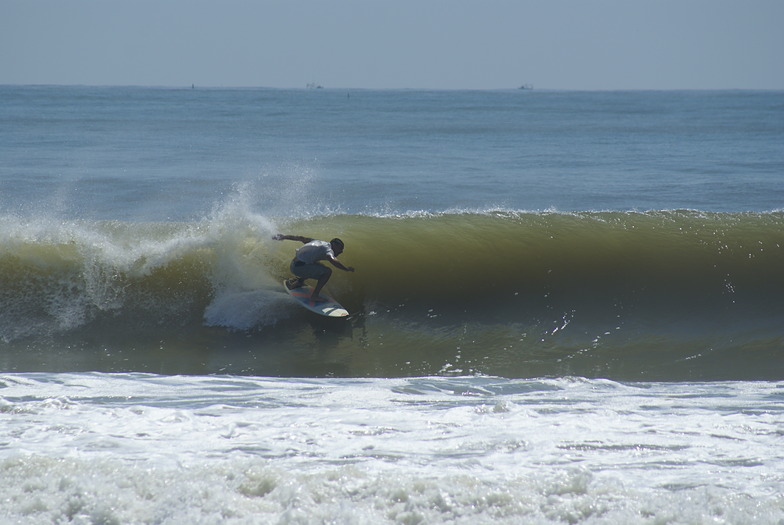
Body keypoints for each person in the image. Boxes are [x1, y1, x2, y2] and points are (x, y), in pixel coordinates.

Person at [272, 234, 355, 301]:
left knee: (318, 265)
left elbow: (300, 238)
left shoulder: (318, 242)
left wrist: (282, 237)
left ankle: (299, 282)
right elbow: (332, 260)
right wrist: (346, 269)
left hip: (294, 264)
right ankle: (314, 295)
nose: (341, 251)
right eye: (340, 248)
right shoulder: (328, 249)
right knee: (327, 272)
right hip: (298, 268)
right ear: (334, 245)